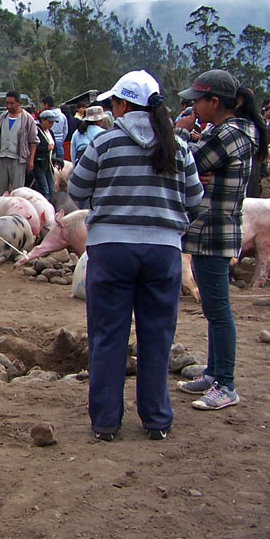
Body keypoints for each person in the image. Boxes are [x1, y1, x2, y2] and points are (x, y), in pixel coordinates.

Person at [68, 69, 203, 441]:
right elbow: (194, 200)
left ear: (123, 104)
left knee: (107, 336)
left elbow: (78, 188)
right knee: (157, 335)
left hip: (111, 250)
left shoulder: (105, 143)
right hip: (163, 253)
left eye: (113, 102)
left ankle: (106, 423)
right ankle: (157, 419)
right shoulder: (179, 147)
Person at [177, 69, 270, 411]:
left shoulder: (229, 134)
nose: (193, 108)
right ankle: (214, 372)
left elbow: (188, 163)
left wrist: (181, 133)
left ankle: (226, 383)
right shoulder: (233, 132)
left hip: (215, 229)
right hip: (210, 228)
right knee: (212, 308)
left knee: (218, 311)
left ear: (214, 102)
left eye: (197, 101)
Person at [0, 91, 39, 195]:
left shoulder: (27, 119)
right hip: (1, 157)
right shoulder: (2, 118)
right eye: (7, 103)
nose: (8, 106)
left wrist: (31, 160)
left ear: (18, 103)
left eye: (11, 103)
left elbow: (33, 141)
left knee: (17, 191)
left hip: (18, 159)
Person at [31, 113, 56, 199]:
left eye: (52, 122)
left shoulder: (50, 132)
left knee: (51, 189)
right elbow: (33, 147)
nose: (51, 124)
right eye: (49, 122)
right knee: (44, 189)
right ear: (42, 120)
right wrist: (46, 148)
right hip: (39, 163)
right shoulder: (36, 131)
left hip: (48, 164)